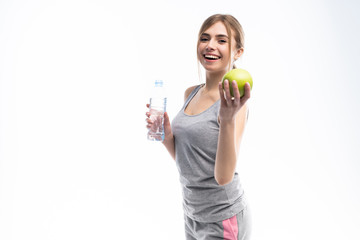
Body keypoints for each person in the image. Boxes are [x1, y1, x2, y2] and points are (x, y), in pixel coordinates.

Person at [146, 14, 252, 240]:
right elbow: (191, 160)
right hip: (193, 215)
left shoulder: (235, 106)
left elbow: (223, 177)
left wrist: (228, 118)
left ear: (238, 52)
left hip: (223, 217)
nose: (210, 45)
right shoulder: (191, 93)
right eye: (205, 38)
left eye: (222, 40)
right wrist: (166, 136)